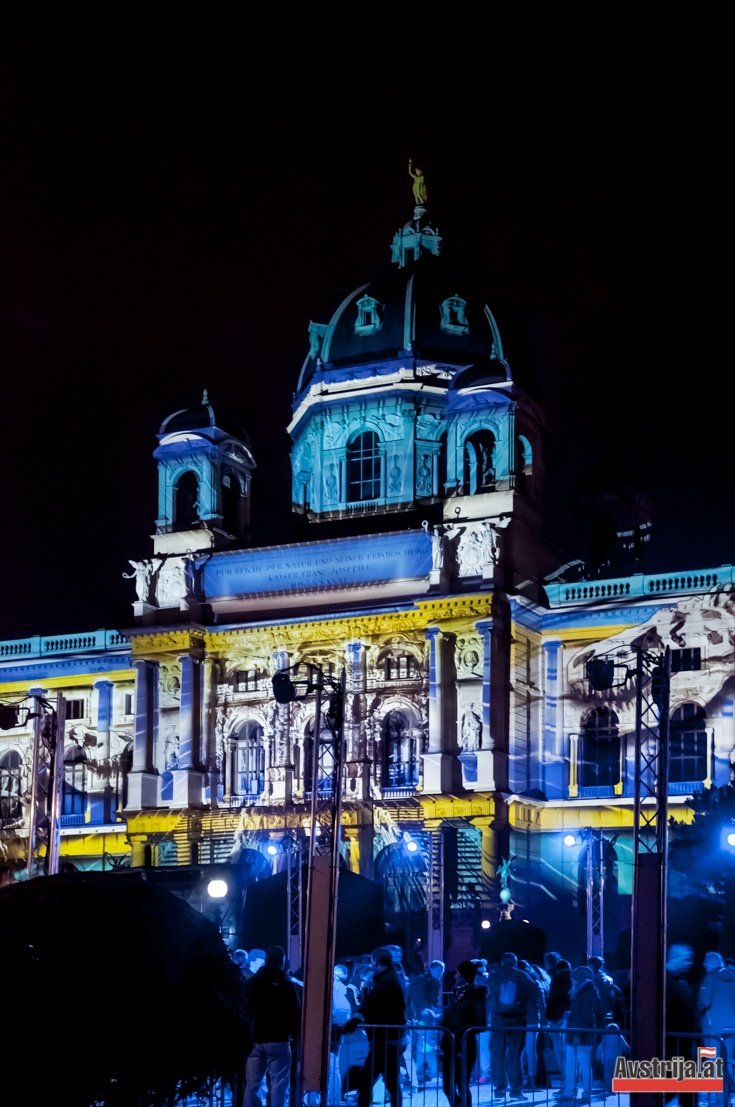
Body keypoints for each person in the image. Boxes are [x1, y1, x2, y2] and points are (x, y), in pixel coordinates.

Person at [345, 947, 407, 1107]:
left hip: (385, 1040)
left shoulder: (386, 982)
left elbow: (371, 1005)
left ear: (378, 961)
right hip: (391, 1038)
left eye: (372, 960)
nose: (370, 964)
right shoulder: (390, 978)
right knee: (391, 1083)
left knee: (366, 1080)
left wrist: (356, 1019)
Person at [244, 945, 301, 1107]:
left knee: (252, 1085)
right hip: (278, 1039)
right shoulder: (286, 984)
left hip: (255, 1039)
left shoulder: (254, 982)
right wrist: (293, 1033)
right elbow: (295, 1011)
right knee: (278, 1085)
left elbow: (245, 1007)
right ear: (282, 961)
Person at [487, 951, 537, 1100]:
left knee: (498, 1055)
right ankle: (515, 1091)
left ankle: (499, 1090)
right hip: (517, 1020)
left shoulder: (495, 976)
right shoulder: (523, 976)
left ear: (503, 962)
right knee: (515, 1056)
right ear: (515, 962)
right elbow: (534, 995)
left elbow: (489, 996)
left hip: (497, 1020)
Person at [441, 960, 487, 1107]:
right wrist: (441, 1025)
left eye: (458, 973)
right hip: (450, 1043)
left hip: (465, 1044)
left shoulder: (476, 994)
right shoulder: (455, 991)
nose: (455, 976)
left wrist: (460, 1030)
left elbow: (481, 1022)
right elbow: (451, 1015)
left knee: (462, 1084)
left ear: (464, 976)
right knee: (447, 1085)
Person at [558, 966, 605, 1104]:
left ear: (579, 979)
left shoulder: (587, 993)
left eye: (573, 979)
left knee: (582, 1064)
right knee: (576, 1063)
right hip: (577, 1032)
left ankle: (582, 1093)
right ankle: (575, 1092)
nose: (571, 982)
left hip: (579, 1033)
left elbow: (585, 1016)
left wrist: (577, 1032)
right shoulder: (586, 991)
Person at [697, 951, 735, 1100]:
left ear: (713, 963)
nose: (704, 965)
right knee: (730, 1060)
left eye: (706, 962)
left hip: (711, 1027)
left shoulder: (709, 978)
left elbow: (704, 1003)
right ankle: (728, 1097)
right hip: (732, 1026)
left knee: (712, 1062)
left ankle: (719, 1100)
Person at [666, 943, 697, 1107]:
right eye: (686, 959)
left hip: (683, 1047)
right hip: (672, 1048)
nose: (690, 963)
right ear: (675, 958)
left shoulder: (680, 983)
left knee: (687, 1092)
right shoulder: (665, 982)